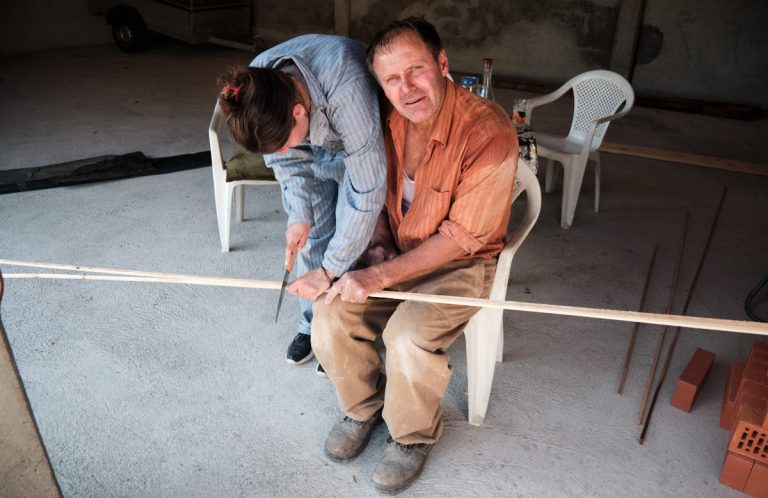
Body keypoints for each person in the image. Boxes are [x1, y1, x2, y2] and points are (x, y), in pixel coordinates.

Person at [310, 17, 519, 492]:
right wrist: (377, 242)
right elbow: (376, 195)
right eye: (391, 79)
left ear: (442, 64)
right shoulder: (385, 122)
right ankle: (363, 409)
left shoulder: (489, 132)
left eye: (416, 70)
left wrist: (379, 277)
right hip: (399, 248)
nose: (406, 88)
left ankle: (411, 436)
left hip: (460, 263)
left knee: (406, 336)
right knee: (329, 316)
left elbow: (460, 238)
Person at [217, 35, 386, 372]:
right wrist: (299, 216)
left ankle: (339, 332)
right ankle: (311, 326)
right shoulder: (259, 88)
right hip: (311, 127)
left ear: (297, 112)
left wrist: (330, 269)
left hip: (351, 133)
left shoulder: (347, 90)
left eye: (280, 143)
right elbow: (287, 161)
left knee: (351, 238)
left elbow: (367, 191)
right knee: (312, 237)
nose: (276, 152)